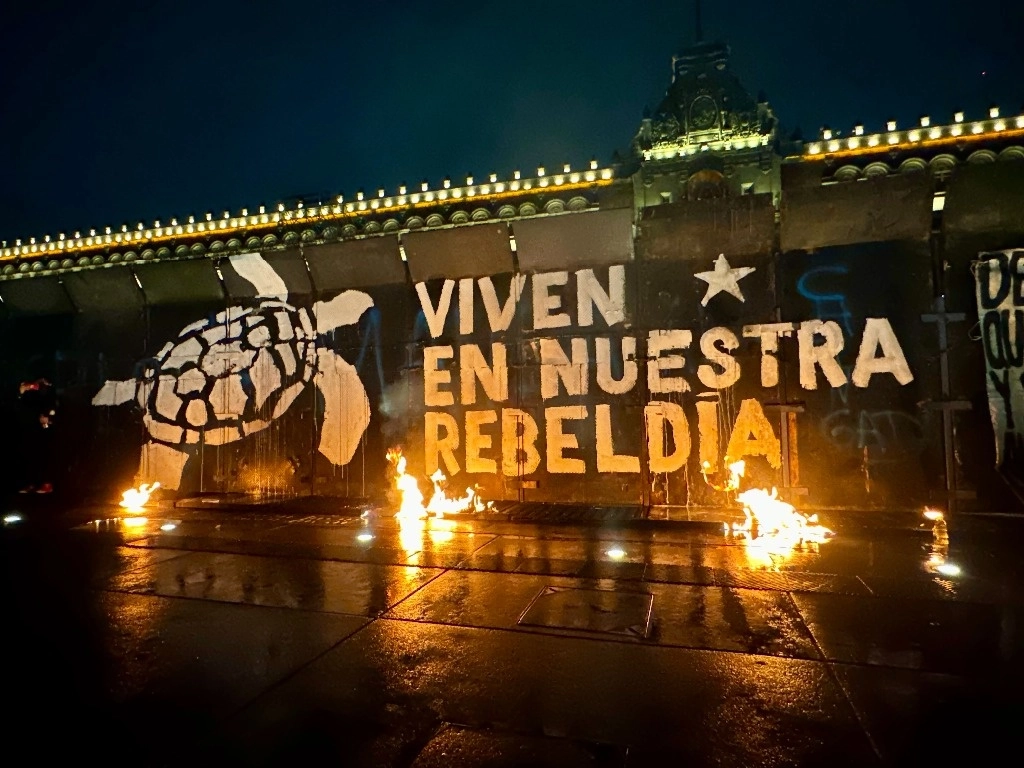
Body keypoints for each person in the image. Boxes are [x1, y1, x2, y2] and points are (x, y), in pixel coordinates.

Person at [18, 378, 56, 494]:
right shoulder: (29, 391)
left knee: (44, 455)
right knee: (31, 455)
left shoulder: (47, 390)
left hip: (44, 428)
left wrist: (48, 417)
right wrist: (23, 392)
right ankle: (31, 483)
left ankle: (46, 484)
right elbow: (23, 405)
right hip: (31, 427)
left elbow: (51, 406)